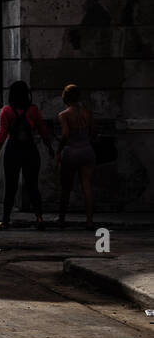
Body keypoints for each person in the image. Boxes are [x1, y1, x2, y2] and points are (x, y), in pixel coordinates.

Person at [0, 80, 53, 230]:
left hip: (13, 151)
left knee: (10, 187)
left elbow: (2, 134)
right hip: (30, 151)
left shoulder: (7, 111)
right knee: (33, 185)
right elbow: (43, 131)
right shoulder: (33, 110)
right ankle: (39, 218)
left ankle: (5, 221)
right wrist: (49, 147)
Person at [56, 84, 97, 230]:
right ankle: (90, 221)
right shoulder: (88, 113)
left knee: (66, 187)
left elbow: (66, 134)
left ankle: (61, 219)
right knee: (87, 186)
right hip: (87, 150)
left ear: (65, 97)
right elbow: (93, 132)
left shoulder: (64, 115)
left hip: (71, 152)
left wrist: (59, 150)